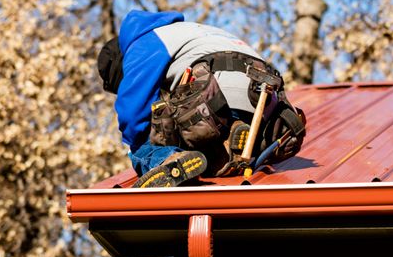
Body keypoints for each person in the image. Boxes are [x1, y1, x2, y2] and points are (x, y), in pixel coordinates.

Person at [97, 10, 306, 188]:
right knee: (219, 155)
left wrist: (141, 146)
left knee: (143, 148)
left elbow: (132, 114)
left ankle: (172, 159)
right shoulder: (194, 30)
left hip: (215, 91)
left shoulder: (144, 43)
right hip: (263, 100)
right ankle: (230, 142)